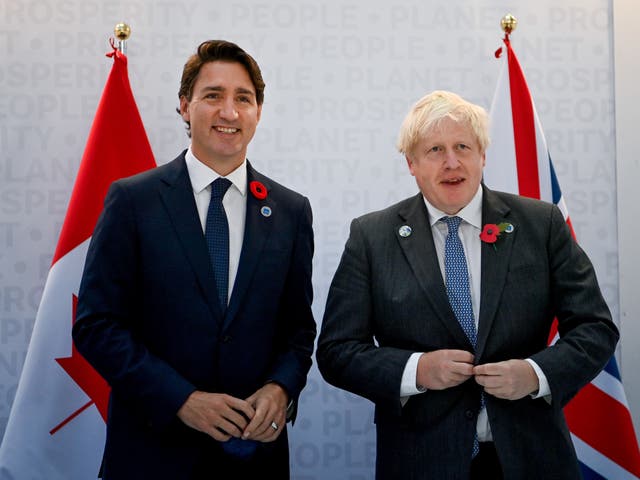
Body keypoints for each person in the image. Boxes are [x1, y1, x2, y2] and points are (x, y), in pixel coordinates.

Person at [316, 90, 618, 479]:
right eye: (435, 150)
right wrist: (416, 370)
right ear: (411, 162)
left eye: (463, 146)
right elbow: (338, 352)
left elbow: (595, 328)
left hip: (532, 455)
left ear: (483, 155)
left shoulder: (540, 224)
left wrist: (535, 374)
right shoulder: (372, 237)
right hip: (421, 460)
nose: (452, 162)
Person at [73, 39, 316, 479]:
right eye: (213, 96)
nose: (229, 111)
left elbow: (298, 331)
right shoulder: (133, 201)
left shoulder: (291, 211)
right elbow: (96, 325)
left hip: (254, 458)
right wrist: (180, 399)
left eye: (243, 98)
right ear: (185, 106)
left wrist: (281, 389)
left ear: (258, 111)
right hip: (151, 454)